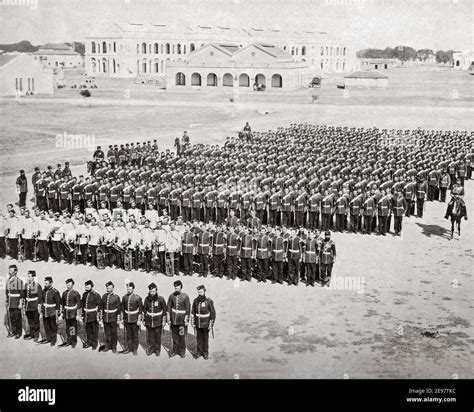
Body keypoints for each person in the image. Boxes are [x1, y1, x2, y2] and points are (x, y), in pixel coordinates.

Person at [191, 285, 216, 360]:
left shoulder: (208, 301)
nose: (200, 293)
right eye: (199, 292)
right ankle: (199, 352)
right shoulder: (195, 300)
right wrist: (193, 321)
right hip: (198, 323)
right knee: (199, 338)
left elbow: (213, 313)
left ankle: (205, 353)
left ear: (204, 291)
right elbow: (193, 311)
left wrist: (211, 324)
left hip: (206, 323)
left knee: (205, 339)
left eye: (201, 292)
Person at [166, 280, 190, 358]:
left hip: (181, 321)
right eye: (175, 287)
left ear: (181, 287)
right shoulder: (171, 296)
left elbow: (188, 309)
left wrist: (186, 319)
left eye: (178, 286)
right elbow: (168, 307)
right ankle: (175, 350)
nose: (176, 288)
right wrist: (168, 319)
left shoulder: (185, 297)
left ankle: (182, 351)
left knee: (182, 336)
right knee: (175, 336)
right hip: (173, 321)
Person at [143, 283, 167, 356]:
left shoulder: (161, 299)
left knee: (157, 336)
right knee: (151, 336)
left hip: (158, 321)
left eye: (153, 291)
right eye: (151, 292)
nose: (152, 293)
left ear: (156, 290)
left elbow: (164, 310)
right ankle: (151, 349)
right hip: (149, 321)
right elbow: (144, 310)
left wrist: (163, 320)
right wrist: (144, 320)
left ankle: (157, 350)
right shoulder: (147, 299)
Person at [99, 281, 122, 353]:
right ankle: (108, 345)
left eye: (109, 288)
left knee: (114, 333)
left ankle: (114, 346)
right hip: (106, 317)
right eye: (107, 288)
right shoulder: (104, 296)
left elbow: (118, 310)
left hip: (113, 318)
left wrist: (118, 320)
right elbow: (101, 308)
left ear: (112, 288)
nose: (108, 289)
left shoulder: (116, 297)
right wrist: (101, 318)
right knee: (107, 332)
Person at [120, 282, 143, 356]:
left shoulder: (137, 298)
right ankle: (129, 348)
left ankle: (135, 349)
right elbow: (122, 309)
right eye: (127, 289)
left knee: (135, 335)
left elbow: (140, 310)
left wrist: (139, 320)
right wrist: (123, 319)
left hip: (134, 319)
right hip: (127, 319)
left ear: (133, 289)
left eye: (130, 289)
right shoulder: (124, 297)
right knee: (129, 335)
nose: (128, 290)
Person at [59, 278, 81, 348]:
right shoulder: (64, 293)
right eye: (67, 285)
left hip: (73, 314)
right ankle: (69, 341)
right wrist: (62, 313)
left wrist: (78, 315)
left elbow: (79, 305)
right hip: (66, 313)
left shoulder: (76, 293)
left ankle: (73, 342)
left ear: (72, 285)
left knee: (73, 328)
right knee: (68, 328)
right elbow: (62, 304)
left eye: (69, 285)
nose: (68, 286)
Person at [39, 276, 61, 346]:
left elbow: (58, 303)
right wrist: (41, 310)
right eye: (44, 283)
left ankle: (53, 340)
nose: (45, 284)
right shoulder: (43, 291)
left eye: (46, 283)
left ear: (51, 283)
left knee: (53, 327)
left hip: (52, 312)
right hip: (45, 311)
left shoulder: (55, 292)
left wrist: (57, 313)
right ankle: (48, 338)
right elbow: (42, 301)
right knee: (46, 326)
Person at [81, 280, 101, 350]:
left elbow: (99, 307)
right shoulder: (84, 294)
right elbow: (83, 305)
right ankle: (89, 342)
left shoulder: (96, 295)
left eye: (88, 286)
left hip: (93, 315)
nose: (86, 287)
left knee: (94, 330)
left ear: (91, 286)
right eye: (85, 286)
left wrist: (99, 317)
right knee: (88, 329)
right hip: (86, 315)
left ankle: (94, 344)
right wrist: (82, 315)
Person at [23, 270, 42, 342]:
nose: (28, 278)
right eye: (28, 276)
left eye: (29, 276)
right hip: (28, 306)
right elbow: (25, 295)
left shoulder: (37, 286)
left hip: (35, 305)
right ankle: (32, 334)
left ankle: (36, 336)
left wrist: (39, 307)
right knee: (30, 321)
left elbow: (40, 297)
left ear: (33, 277)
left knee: (36, 321)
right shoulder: (26, 285)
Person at [6, 264, 24, 338]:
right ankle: (13, 332)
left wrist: (20, 303)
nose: (9, 272)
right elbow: (7, 292)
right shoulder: (8, 280)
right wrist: (7, 302)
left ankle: (18, 333)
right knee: (12, 318)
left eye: (11, 270)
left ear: (15, 272)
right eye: (9, 270)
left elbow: (22, 294)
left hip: (16, 302)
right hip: (10, 302)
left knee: (17, 318)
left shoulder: (19, 281)